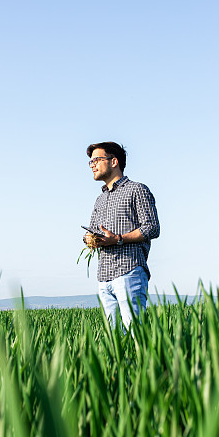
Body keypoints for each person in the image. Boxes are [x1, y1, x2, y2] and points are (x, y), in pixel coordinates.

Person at [84, 141, 160, 329]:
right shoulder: (100, 199)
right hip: (104, 277)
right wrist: (90, 239)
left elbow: (152, 228)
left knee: (135, 334)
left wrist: (117, 239)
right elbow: (92, 230)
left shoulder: (137, 190)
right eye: (90, 162)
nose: (92, 165)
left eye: (97, 160)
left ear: (114, 161)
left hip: (129, 271)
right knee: (114, 342)